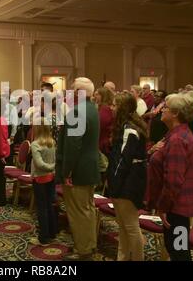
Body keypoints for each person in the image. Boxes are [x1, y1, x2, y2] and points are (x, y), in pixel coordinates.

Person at [147, 93, 193, 261]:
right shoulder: (174, 134)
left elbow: (173, 179)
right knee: (176, 249)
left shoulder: (178, 139)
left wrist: (163, 207)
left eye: (166, 107)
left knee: (179, 251)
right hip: (176, 205)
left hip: (177, 207)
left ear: (176, 113)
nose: (162, 110)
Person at [56, 77, 100, 261]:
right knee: (87, 210)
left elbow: (73, 146)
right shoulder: (92, 109)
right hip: (89, 167)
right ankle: (88, 245)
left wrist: (67, 172)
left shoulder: (77, 112)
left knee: (78, 212)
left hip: (78, 170)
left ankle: (83, 251)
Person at [107, 92, 148, 261]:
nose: (112, 108)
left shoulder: (130, 130)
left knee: (131, 227)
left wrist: (114, 187)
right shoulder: (125, 126)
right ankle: (122, 258)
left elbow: (123, 162)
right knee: (123, 226)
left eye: (115, 105)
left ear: (123, 108)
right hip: (123, 180)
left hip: (128, 183)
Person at [30, 118, 58, 246]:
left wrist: (50, 167)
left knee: (42, 208)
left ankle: (44, 238)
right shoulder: (52, 142)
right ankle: (52, 232)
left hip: (40, 178)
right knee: (49, 205)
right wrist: (53, 167)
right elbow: (55, 161)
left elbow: (39, 164)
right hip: (51, 178)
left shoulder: (35, 144)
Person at [94, 87, 114, 155]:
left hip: (103, 145)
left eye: (97, 94)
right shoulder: (101, 108)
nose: (95, 96)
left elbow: (99, 127)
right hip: (102, 143)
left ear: (103, 96)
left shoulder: (105, 110)